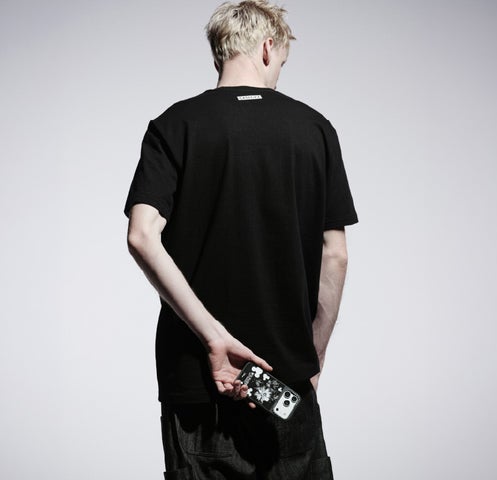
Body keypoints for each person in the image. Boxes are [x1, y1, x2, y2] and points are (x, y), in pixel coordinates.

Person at [124, 1, 357, 478]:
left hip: (197, 381)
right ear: (269, 48)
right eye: (282, 62)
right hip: (284, 383)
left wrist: (214, 337)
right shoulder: (315, 129)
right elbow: (335, 255)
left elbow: (142, 235)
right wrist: (311, 359)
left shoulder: (174, 125)